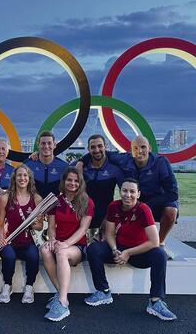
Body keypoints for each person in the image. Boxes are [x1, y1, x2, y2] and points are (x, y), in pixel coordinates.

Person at [84, 178, 177, 321]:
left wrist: (128, 253)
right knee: (93, 249)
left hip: (139, 252)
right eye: (125, 190)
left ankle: (155, 301)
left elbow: (154, 241)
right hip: (120, 248)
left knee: (160, 254)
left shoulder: (143, 209)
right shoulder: (114, 206)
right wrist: (115, 249)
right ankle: (103, 291)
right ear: (120, 192)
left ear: (138, 194)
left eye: (132, 191)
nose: (128, 195)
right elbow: (109, 233)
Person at [79, 135, 179, 259]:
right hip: (136, 199)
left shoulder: (161, 162)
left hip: (159, 201)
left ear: (150, 148)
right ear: (131, 151)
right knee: (116, 208)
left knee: (171, 211)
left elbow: (173, 193)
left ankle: (160, 243)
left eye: (143, 147)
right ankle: (117, 242)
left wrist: (146, 206)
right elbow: (99, 153)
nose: (139, 151)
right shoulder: (124, 159)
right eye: (135, 148)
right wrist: (81, 162)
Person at [40, 167, 94, 321]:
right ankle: (60, 294)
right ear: (63, 181)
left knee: (62, 253)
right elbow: (51, 227)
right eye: (69, 180)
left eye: (76, 180)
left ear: (80, 183)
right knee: (44, 250)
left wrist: (66, 244)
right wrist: (52, 240)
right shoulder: (55, 201)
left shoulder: (87, 202)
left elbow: (83, 229)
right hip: (59, 242)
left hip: (77, 247)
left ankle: (63, 303)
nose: (72, 183)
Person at [0, 164, 43, 304]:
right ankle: (7, 285)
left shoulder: (36, 199)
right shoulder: (5, 197)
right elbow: (0, 222)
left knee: (33, 256)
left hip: (28, 241)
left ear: (29, 178)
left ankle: (29, 286)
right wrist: (0, 238)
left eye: (25, 175)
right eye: (19, 175)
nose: (22, 178)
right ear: (14, 178)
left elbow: (40, 226)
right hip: (10, 240)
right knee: (9, 256)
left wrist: (36, 225)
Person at [74, 135, 124, 243]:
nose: (97, 150)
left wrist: (111, 215)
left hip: (106, 216)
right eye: (93, 147)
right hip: (84, 214)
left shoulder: (114, 169)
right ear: (88, 149)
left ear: (105, 147)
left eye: (100, 146)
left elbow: (124, 194)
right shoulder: (79, 166)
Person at [23, 131, 68, 198]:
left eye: (49, 143)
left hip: (56, 207)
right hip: (33, 207)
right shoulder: (28, 165)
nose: (46, 146)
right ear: (38, 145)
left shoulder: (64, 166)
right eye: (43, 143)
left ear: (54, 145)